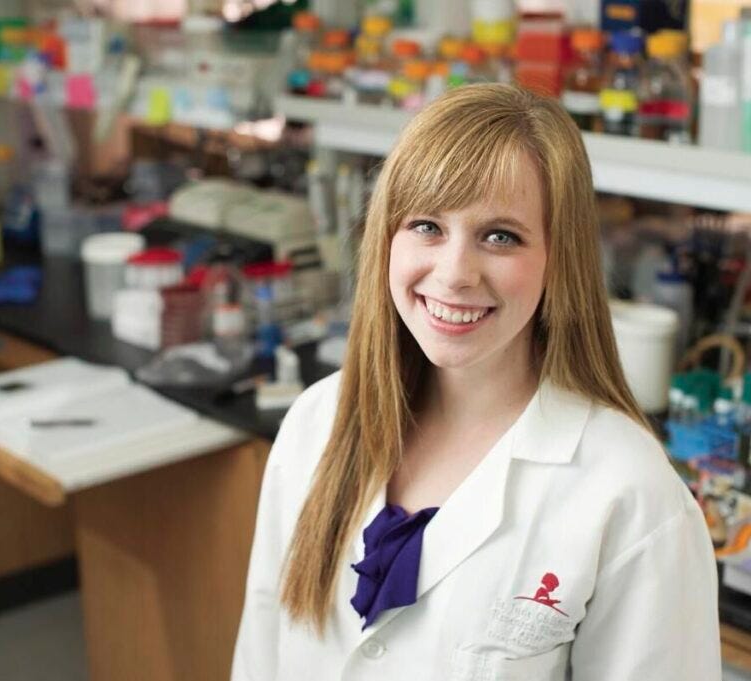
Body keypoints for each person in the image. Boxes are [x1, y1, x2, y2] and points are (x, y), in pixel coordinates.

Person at [232, 83, 721, 680]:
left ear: (560, 259)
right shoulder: (318, 420)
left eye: (500, 236)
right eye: (427, 226)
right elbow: (262, 652)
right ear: (386, 237)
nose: (455, 274)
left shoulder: (629, 493)